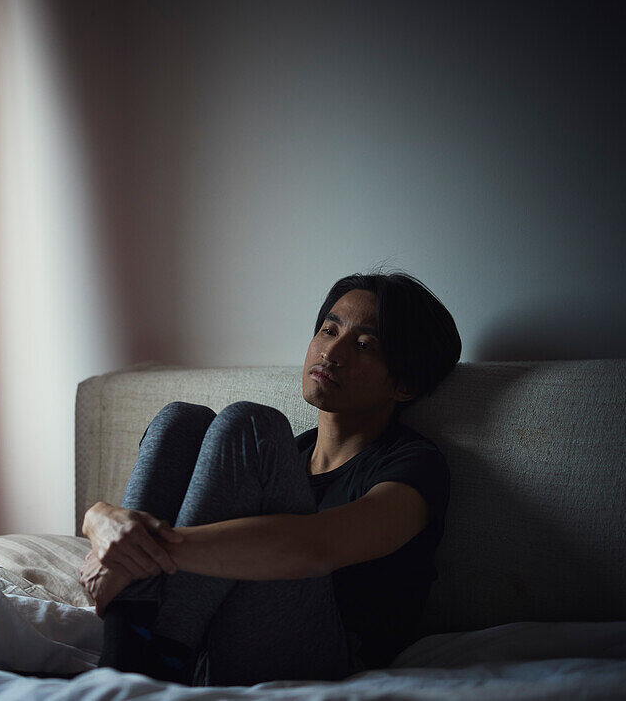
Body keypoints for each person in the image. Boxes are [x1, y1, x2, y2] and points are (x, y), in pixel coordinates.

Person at [79, 272, 461, 686]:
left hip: (326, 663)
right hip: (217, 643)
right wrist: (99, 521)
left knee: (249, 424)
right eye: (329, 330)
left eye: (364, 345)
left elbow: (315, 547)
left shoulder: (414, 465)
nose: (331, 351)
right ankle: (124, 660)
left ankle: (152, 663)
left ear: (404, 385)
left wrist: (138, 550)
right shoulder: (286, 460)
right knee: (181, 419)